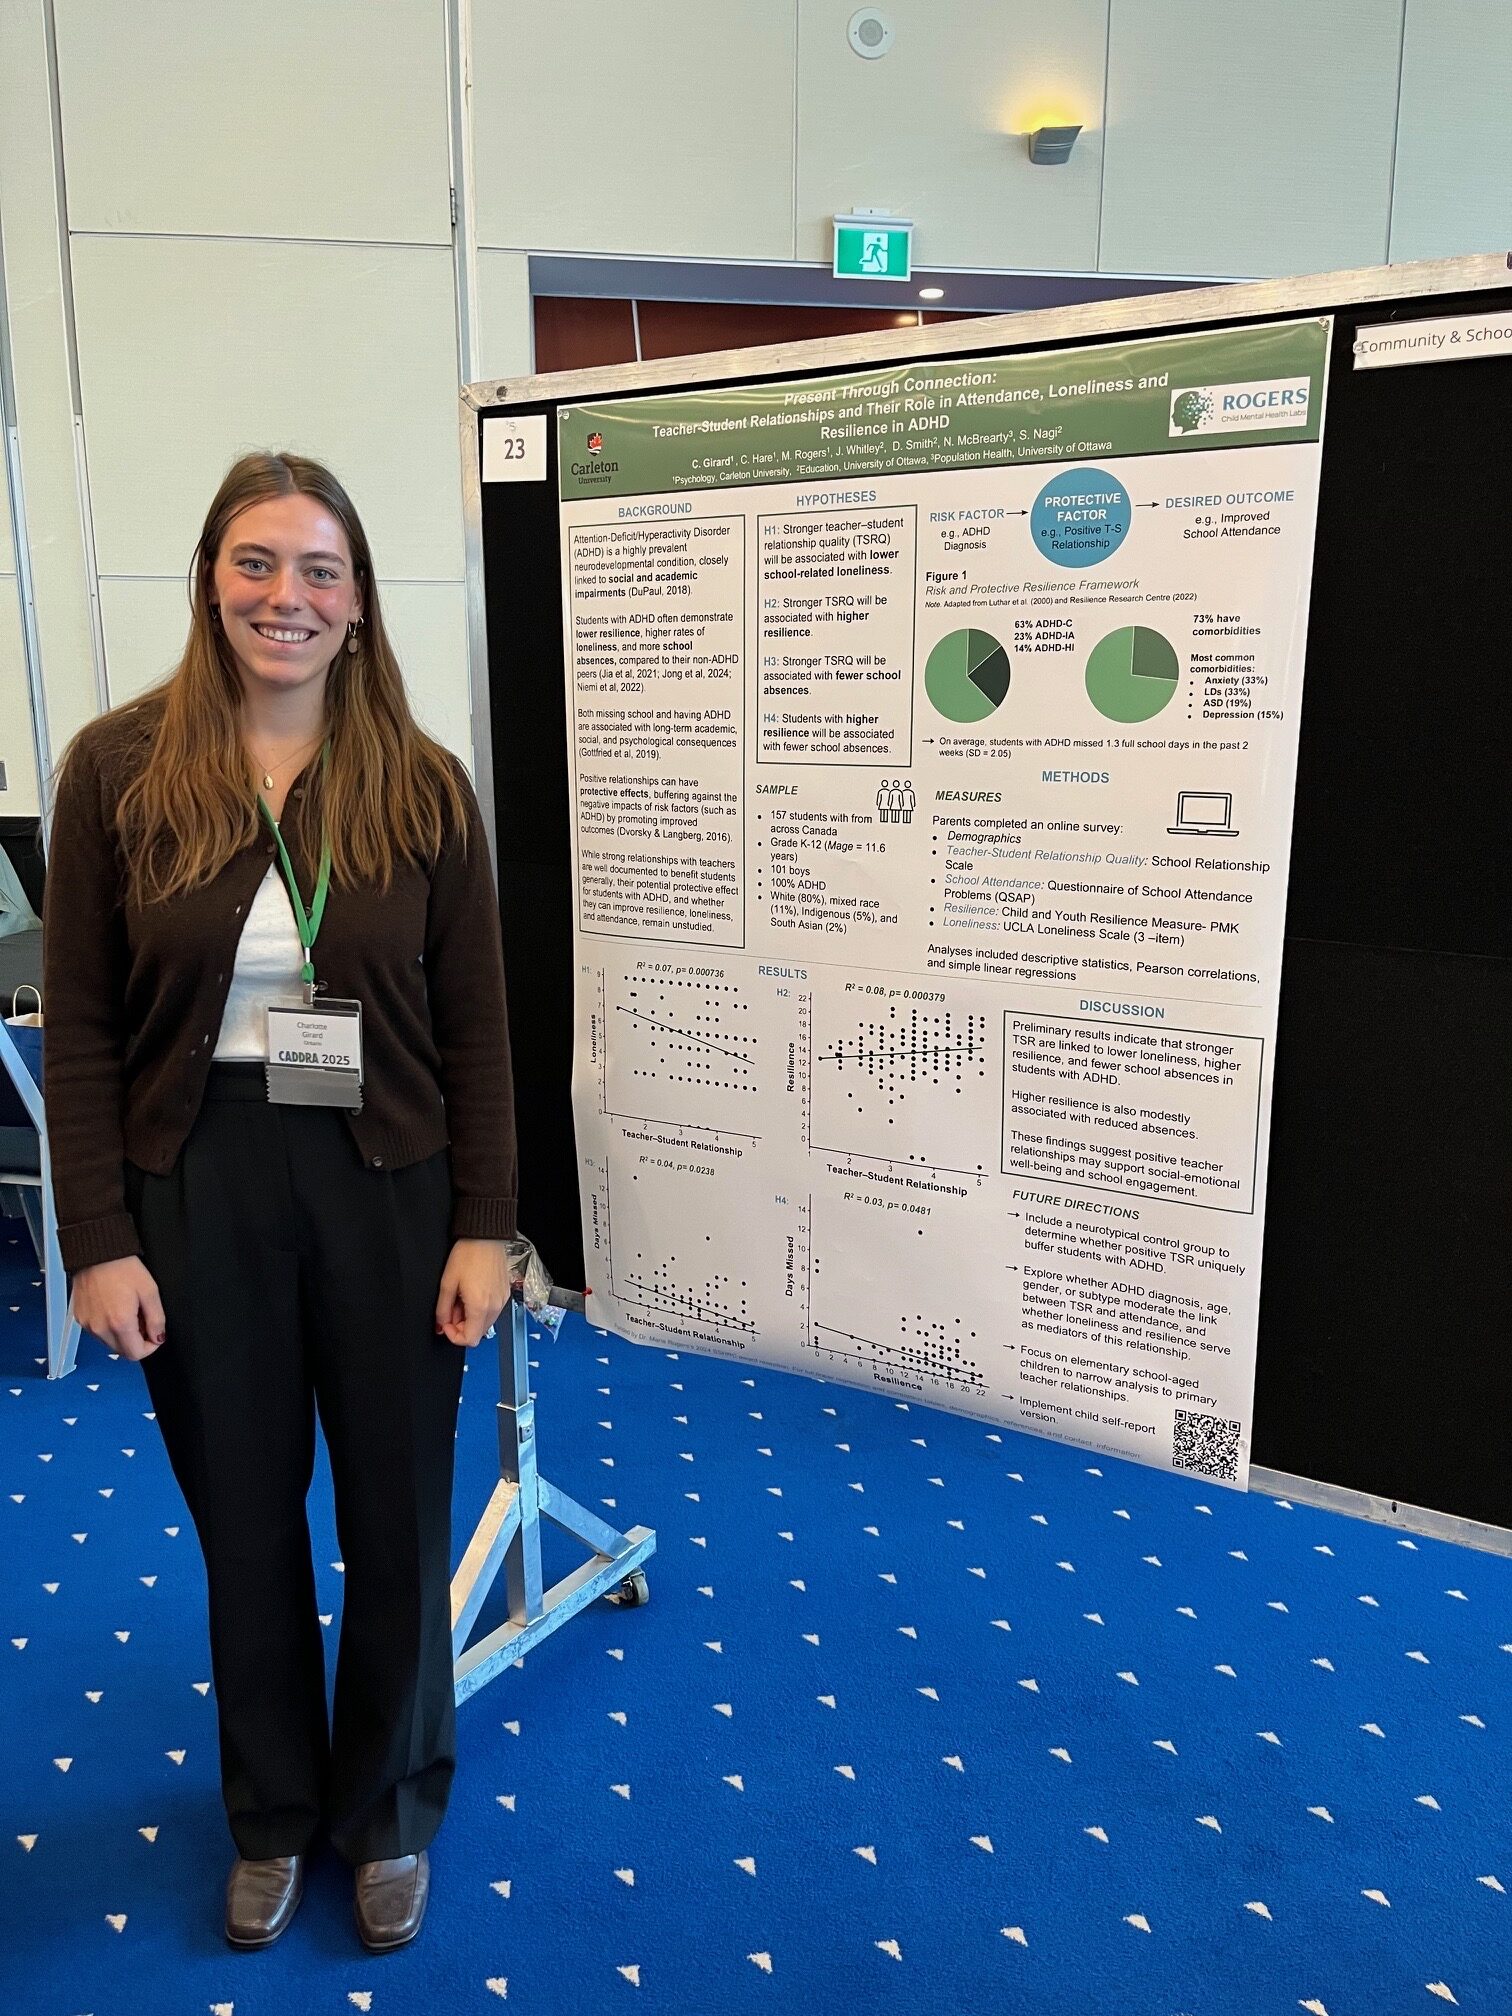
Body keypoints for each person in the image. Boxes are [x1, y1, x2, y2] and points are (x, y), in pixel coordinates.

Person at [41, 450, 519, 1954]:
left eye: (320, 570)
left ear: (359, 602)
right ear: (209, 582)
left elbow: (477, 1028)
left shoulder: (420, 784)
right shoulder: (117, 770)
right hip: (200, 1183)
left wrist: (486, 1223)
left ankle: (387, 1811)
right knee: (244, 1526)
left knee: (397, 1518)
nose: (286, 597)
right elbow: (82, 1027)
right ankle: (269, 1813)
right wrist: (97, 1237)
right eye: (256, 563)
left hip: (391, 1181)